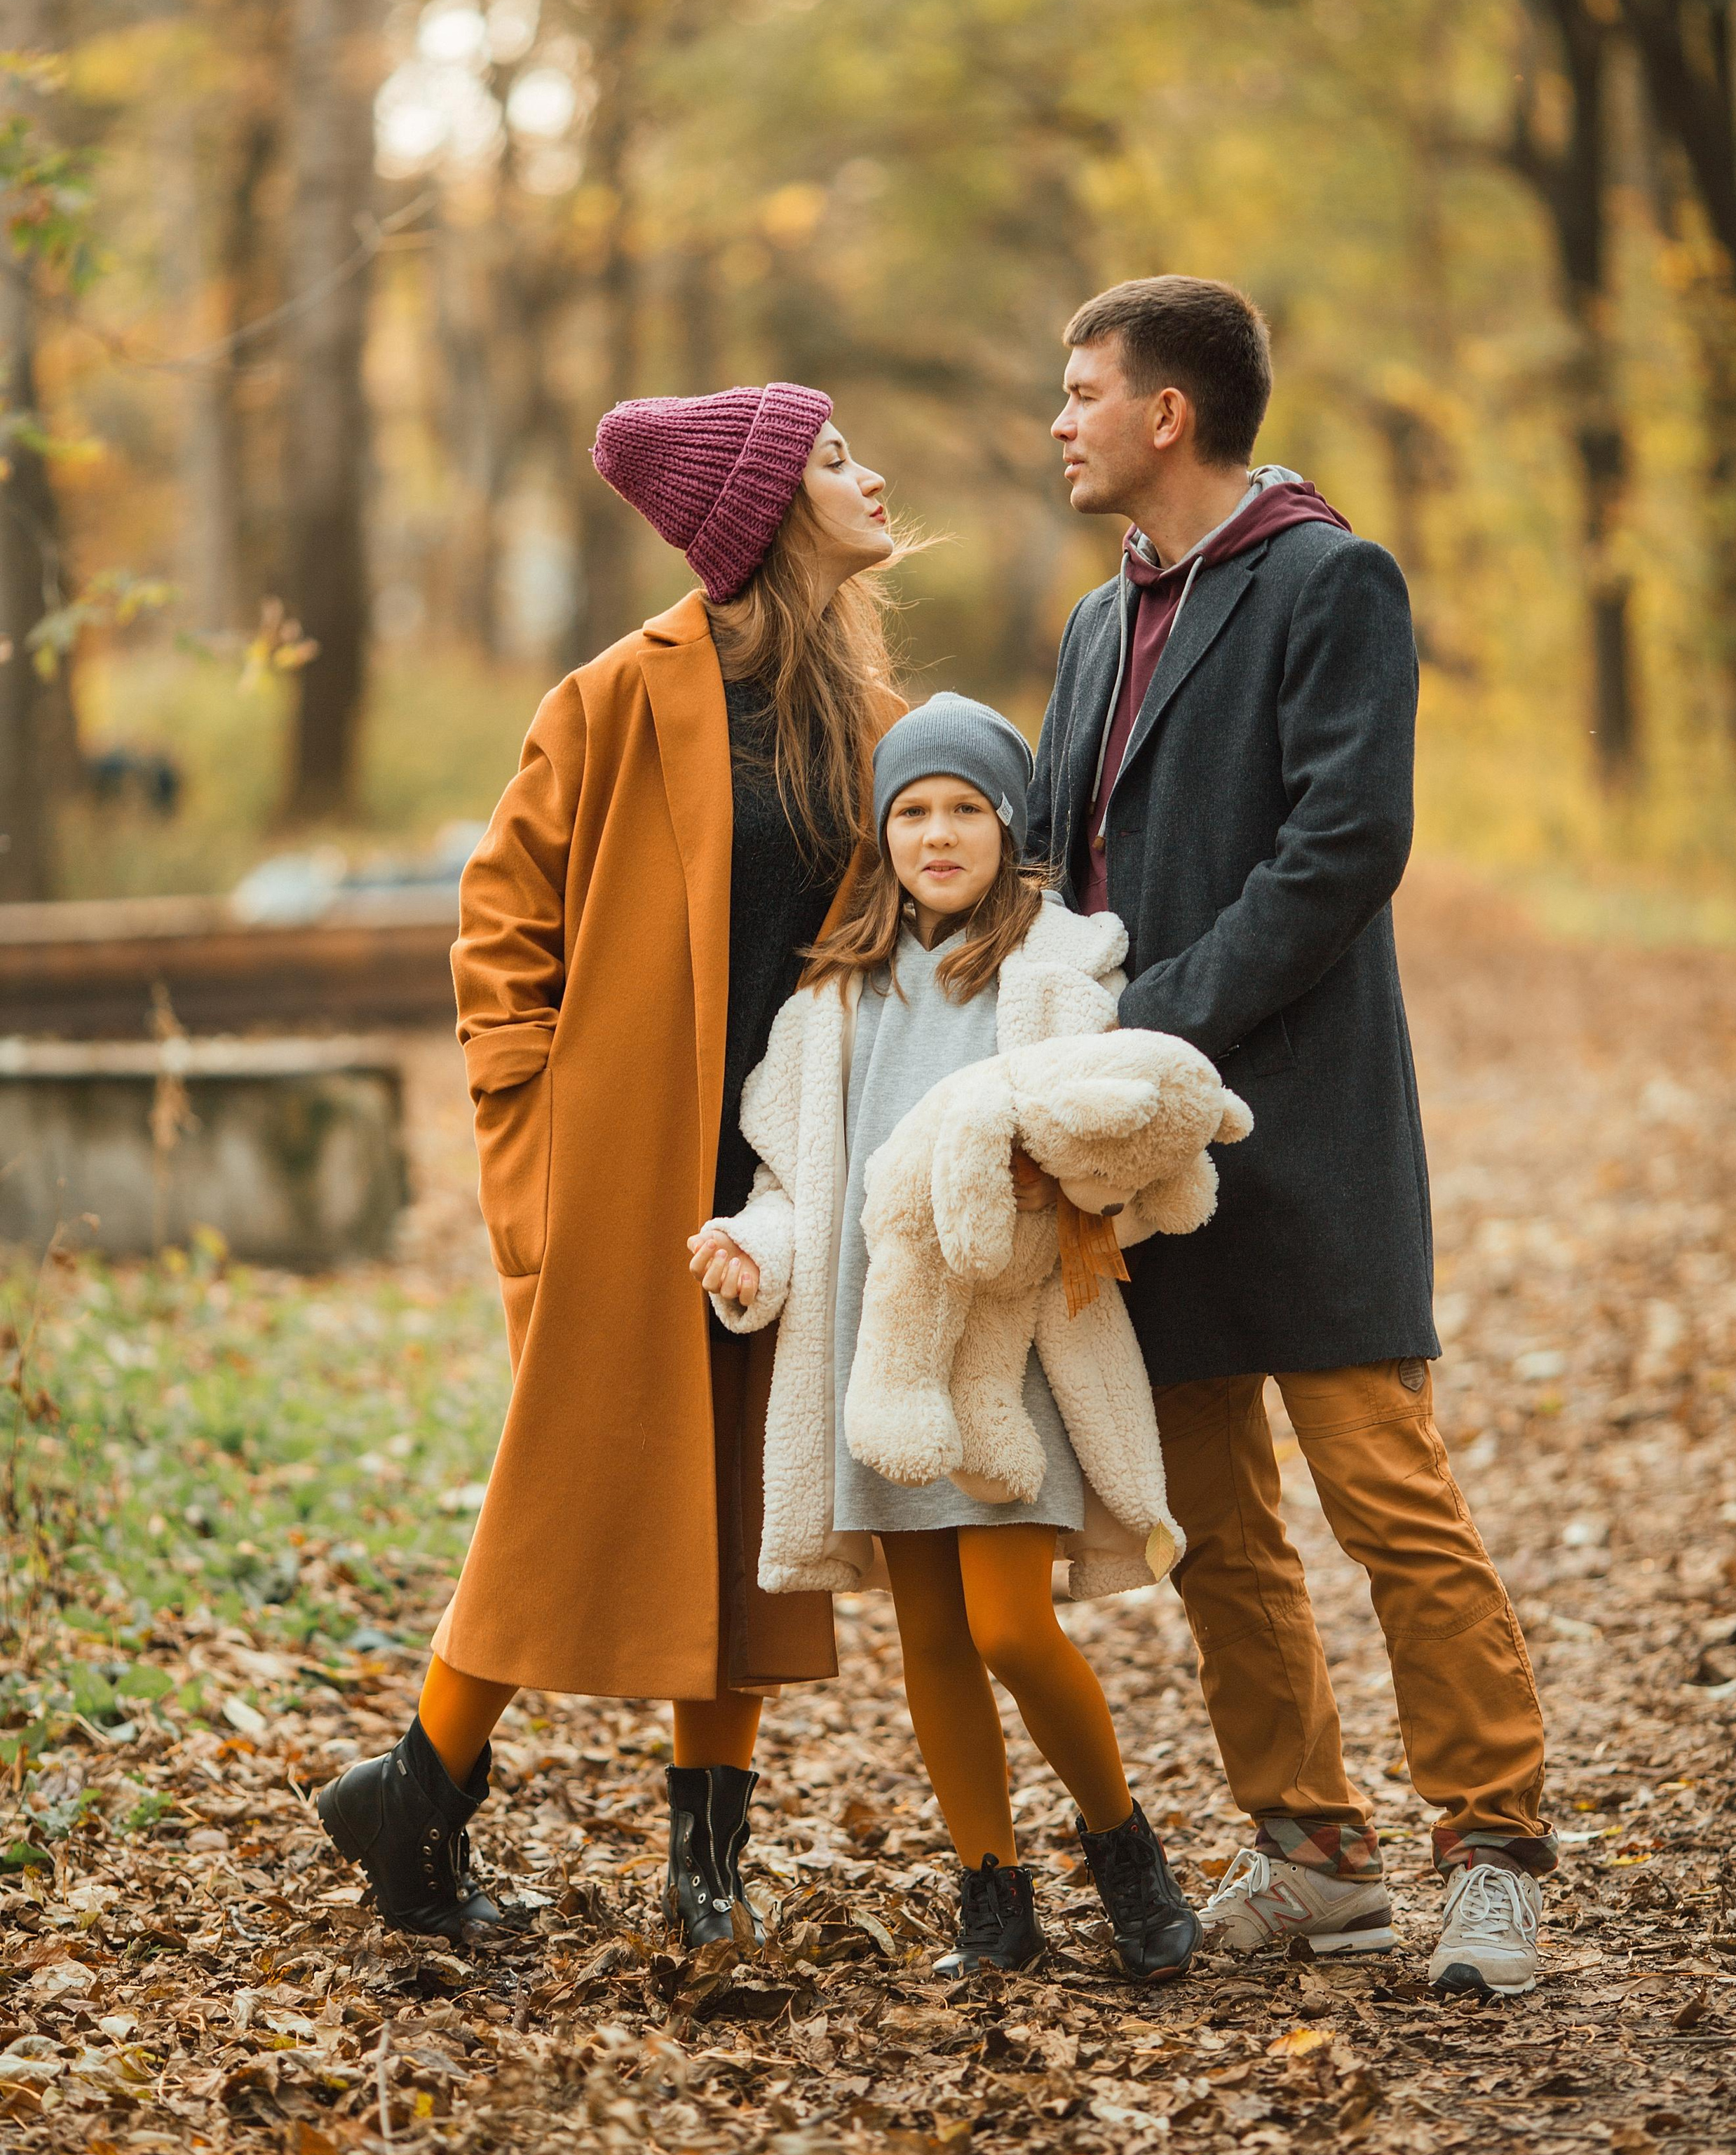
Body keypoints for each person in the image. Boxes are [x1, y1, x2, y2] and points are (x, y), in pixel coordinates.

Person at [316, 381, 902, 1949]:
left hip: (782, 1169)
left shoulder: (870, 715)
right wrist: (537, 1130)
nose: (870, 477)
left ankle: (705, 1870)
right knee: (560, 1488)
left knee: (745, 1504)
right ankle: (416, 1792)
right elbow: (498, 928)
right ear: (766, 509)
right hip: (622, 1165)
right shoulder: (612, 697)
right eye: (835, 458)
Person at [1031, 276, 1554, 1998]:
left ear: (1165, 413)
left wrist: (1154, 1024)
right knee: (1211, 1522)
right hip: (1136, 1157)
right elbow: (1050, 866)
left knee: (1386, 1499)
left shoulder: (1329, 580)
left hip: (1303, 1126)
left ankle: (1492, 1853)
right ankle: (1312, 1857)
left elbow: (1342, 846)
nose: (1060, 421)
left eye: (1082, 390)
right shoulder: (1095, 623)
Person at [689, 695, 1199, 1983]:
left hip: (1008, 1352)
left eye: (966, 809)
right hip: (876, 1359)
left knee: (1010, 1627)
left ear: (1008, 826)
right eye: (912, 811)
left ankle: (1123, 1849)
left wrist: (1062, 1179)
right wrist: (753, 1251)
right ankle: (992, 1893)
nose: (937, 834)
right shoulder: (831, 1001)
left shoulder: (1062, 975)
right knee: (930, 1639)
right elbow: (795, 1184)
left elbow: (1132, 1139)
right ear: (883, 833)